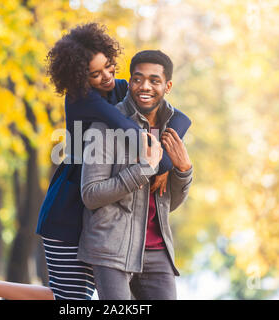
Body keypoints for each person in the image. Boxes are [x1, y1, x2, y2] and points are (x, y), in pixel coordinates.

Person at [0, 23, 190, 300]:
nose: (107, 77)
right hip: (70, 212)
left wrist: (166, 160)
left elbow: (179, 117)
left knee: (69, 298)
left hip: (103, 216)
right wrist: (162, 164)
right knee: (71, 300)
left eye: (109, 66)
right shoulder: (84, 100)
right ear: (80, 77)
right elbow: (137, 138)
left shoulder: (119, 89)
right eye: (95, 74)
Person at [78, 50, 193, 300]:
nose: (145, 87)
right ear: (129, 81)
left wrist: (183, 171)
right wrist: (144, 170)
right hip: (111, 250)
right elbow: (91, 195)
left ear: (167, 85)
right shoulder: (105, 127)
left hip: (158, 251)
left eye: (154, 80)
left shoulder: (172, 131)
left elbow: (169, 203)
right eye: (137, 79)